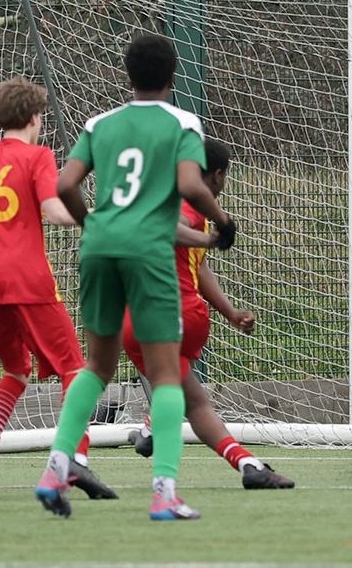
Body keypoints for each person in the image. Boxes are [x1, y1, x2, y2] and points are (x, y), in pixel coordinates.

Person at [35, 34, 236, 520]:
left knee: (96, 367)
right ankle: (165, 493)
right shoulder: (183, 121)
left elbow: (65, 184)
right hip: (149, 250)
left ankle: (55, 469)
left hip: (100, 245)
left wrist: (94, 224)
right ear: (172, 77)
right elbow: (190, 184)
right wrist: (222, 222)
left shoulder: (100, 123)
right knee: (167, 375)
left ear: (127, 76)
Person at [0, 76, 115, 501]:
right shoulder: (38, 156)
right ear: (36, 119)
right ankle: (77, 459)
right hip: (29, 281)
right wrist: (97, 218)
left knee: (16, 370)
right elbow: (55, 213)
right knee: (76, 368)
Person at [124, 138, 294, 490]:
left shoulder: (166, 202)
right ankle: (236, 465)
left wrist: (230, 311)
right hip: (175, 315)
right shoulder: (188, 209)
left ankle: (155, 431)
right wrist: (208, 240)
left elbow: (196, 267)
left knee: (187, 396)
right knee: (193, 400)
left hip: (142, 317)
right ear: (216, 176)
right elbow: (171, 229)